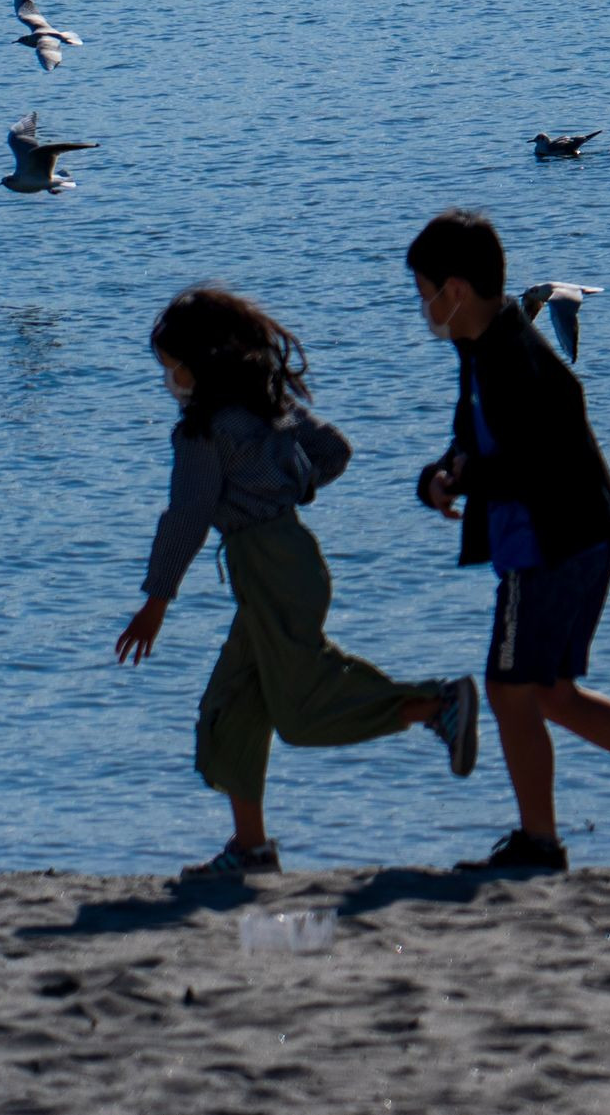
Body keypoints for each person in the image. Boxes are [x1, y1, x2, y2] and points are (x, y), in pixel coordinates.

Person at [113, 286, 479, 880]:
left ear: (202, 364)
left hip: (270, 571)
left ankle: (436, 705)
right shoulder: (267, 409)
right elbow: (334, 451)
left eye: (173, 367)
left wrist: (156, 604)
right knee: (232, 708)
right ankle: (251, 850)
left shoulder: (201, 433)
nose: (168, 381)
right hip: (289, 560)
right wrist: (287, 485)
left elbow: (186, 517)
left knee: (302, 711)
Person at [406, 209, 610, 871]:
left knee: (509, 688)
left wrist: (468, 479)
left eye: (425, 293)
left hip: (550, 545)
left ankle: (540, 842)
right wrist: (438, 475)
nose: (424, 309)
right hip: (581, 535)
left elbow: (533, 458)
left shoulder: (511, 356)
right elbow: (473, 439)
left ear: (455, 290)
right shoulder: (483, 348)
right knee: (550, 690)